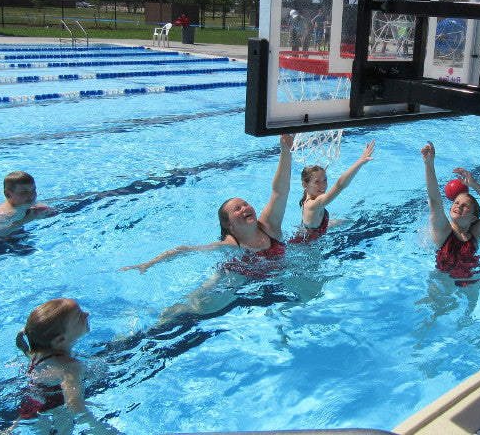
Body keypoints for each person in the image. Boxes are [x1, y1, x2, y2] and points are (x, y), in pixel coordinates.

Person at [121, 134, 294, 273]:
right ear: (230, 226)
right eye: (237, 209)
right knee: (202, 295)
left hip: (279, 274)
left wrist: (285, 152)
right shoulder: (230, 245)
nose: (245, 208)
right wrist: (149, 263)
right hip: (240, 278)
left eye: (246, 204)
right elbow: (183, 250)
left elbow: (279, 192)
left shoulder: (269, 227)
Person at [15, 298, 115, 432]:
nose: (86, 314)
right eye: (79, 316)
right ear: (60, 339)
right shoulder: (70, 367)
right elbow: (74, 405)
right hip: (54, 412)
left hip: (29, 406)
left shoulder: (37, 354)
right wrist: (99, 428)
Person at [420, 141, 480, 286]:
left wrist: (474, 184)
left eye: (465, 206)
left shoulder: (475, 234)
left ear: (473, 218)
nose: (458, 206)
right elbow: (435, 200)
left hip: (472, 280)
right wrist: (429, 165)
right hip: (443, 282)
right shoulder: (443, 230)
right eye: (456, 203)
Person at [291, 140, 376, 243]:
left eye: (325, 180)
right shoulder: (312, 205)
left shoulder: (310, 198)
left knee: (348, 219)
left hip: (312, 233)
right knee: (352, 220)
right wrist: (360, 162)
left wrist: (319, 175)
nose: (323, 185)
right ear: (305, 185)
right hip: (307, 247)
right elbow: (340, 185)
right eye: (317, 182)